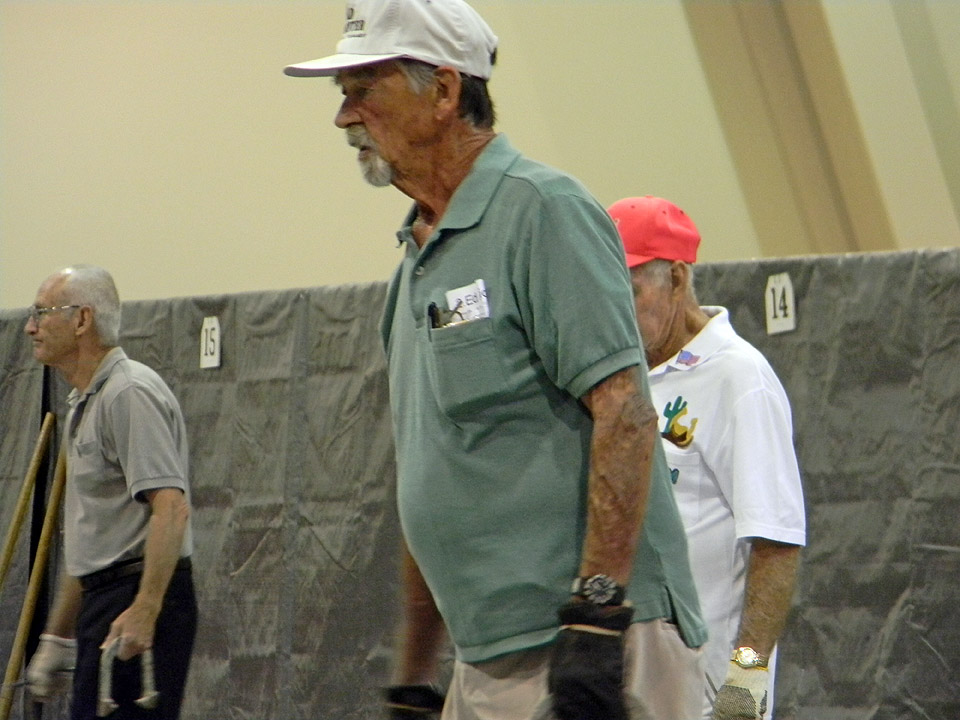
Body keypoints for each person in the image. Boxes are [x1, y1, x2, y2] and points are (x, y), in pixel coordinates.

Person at [285, 3, 707, 719]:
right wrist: (417, 675)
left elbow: (626, 412)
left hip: (599, 643)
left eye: (364, 90)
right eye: (343, 95)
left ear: (445, 92)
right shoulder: (415, 266)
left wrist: (597, 618)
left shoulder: (542, 211)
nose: (344, 118)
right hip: (487, 659)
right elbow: (433, 473)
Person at [607, 196, 807, 720]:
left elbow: (776, 545)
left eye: (628, 291)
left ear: (676, 278)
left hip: (707, 696)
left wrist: (744, 685)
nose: (614, 309)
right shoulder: (616, 377)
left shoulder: (739, 379)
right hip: (625, 684)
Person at [23, 265, 197, 720]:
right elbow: (91, 540)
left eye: (42, 313)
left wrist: (146, 608)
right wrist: (57, 638)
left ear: (82, 320)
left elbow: (171, 508)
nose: (30, 326)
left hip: (136, 596)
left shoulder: (129, 393)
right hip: (105, 598)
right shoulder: (86, 400)